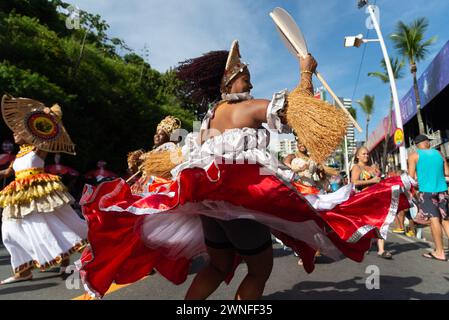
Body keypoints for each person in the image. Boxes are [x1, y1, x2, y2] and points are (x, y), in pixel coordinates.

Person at [77, 41, 411, 300]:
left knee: (219, 264)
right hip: (238, 205)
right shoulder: (247, 109)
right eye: (244, 78)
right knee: (259, 270)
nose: (249, 82)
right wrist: (305, 71)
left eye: (249, 77)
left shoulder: (210, 116)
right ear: (228, 83)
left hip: (208, 204)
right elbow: (300, 112)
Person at [0, 95, 88, 284]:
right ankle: (23, 270)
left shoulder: (39, 148)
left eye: (17, 131)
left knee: (49, 225)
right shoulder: (18, 155)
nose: (14, 134)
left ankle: (64, 261)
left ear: (27, 131)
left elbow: (50, 132)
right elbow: (7, 172)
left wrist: (51, 116)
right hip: (18, 194)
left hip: (40, 192)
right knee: (9, 230)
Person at [408, 134, 449, 261]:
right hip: (442, 190)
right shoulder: (439, 154)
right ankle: (439, 250)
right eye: (428, 141)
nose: (430, 143)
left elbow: (411, 177)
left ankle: (440, 252)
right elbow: (447, 172)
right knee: (446, 220)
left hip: (427, 192)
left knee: (434, 220)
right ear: (425, 142)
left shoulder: (414, 156)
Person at [350, 146, 393, 259]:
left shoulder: (371, 167)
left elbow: (379, 180)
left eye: (367, 154)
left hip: (376, 198)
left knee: (381, 222)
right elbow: (353, 182)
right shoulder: (356, 167)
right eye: (363, 154)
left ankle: (381, 250)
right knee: (364, 224)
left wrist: (378, 174)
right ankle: (363, 244)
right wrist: (372, 180)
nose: (366, 156)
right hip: (363, 199)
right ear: (358, 156)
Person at [126, 116, 182, 195]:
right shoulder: (157, 150)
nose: (157, 136)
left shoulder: (170, 146)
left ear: (169, 138)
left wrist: (142, 158)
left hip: (156, 185)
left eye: (162, 134)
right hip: (146, 184)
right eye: (156, 133)